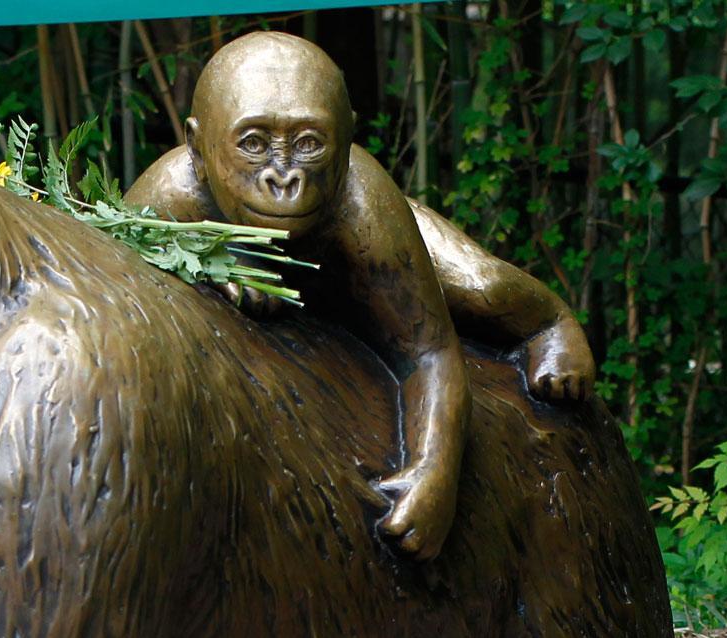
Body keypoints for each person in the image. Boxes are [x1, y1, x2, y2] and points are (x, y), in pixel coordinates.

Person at [127, 32, 595, 558]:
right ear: (197, 147)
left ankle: (549, 320)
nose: (285, 178)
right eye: (254, 145)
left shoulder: (361, 205)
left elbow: (430, 352)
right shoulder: (165, 200)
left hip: (360, 271)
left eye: (308, 144)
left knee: (481, 288)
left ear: (347, 141)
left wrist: (434, 473)